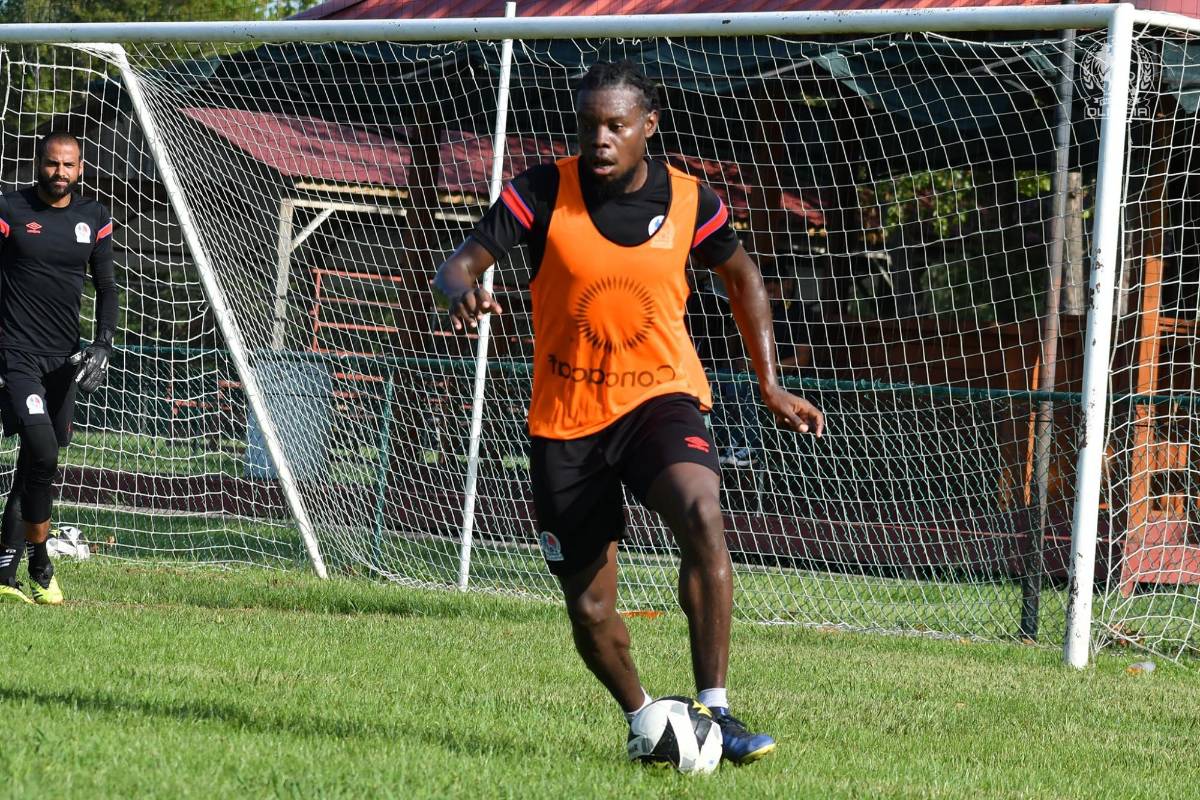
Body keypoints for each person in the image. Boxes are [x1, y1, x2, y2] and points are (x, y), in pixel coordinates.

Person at [433, 61, 823, 765]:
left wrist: (769, 383)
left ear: (649, 126)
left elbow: (743, 277)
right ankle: (646, 722)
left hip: (661, 399)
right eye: (589, 125)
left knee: (702, 511)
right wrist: (455, 289)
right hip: (567, 418)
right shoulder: (543, 191)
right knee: (589, 607)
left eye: (616, 125)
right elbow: (460, 262)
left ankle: (716, 707)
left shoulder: (690, 201)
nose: (601, 138)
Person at [0, 131, 118, 605]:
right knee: (44, 452)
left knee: (34, 465)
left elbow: (108, 289)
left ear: (81, 169)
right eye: (52, 164)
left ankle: (7, 574)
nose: (59, 173)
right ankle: (42, 556)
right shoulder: (9, 209)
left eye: (68, 165)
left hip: (64, 361)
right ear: (37, 163)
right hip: (16, 355)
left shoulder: (94, 218)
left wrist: (103, 345)